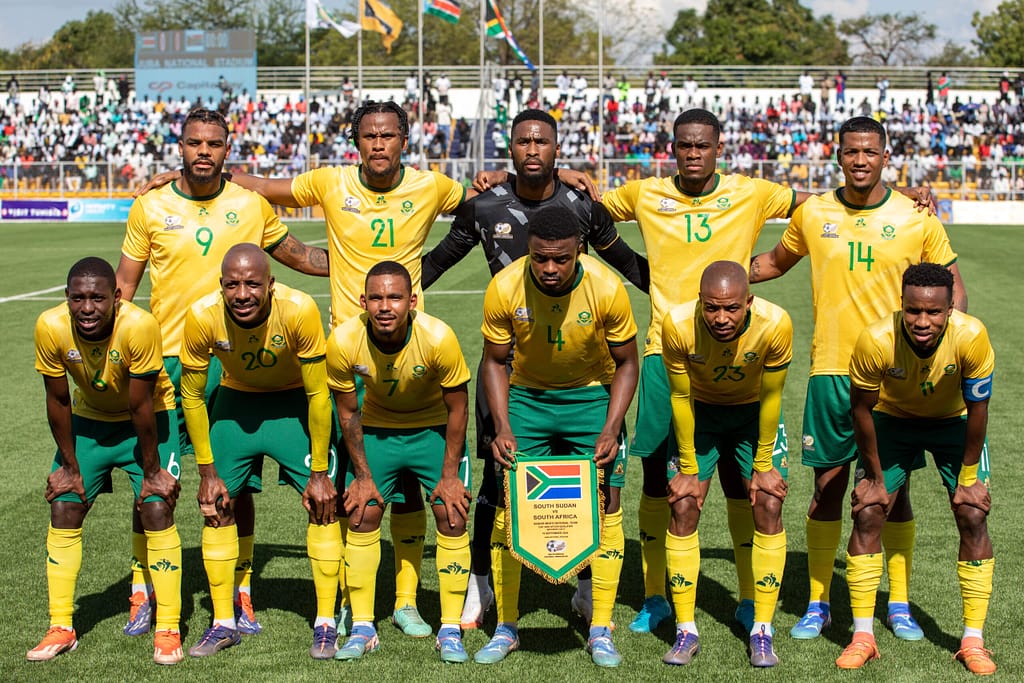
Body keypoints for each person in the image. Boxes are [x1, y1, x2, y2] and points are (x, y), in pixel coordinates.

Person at [421, 108, 648, 631]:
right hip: (510, 367)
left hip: (578, 366)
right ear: (510, 148)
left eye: (541, 141)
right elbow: (437, 261)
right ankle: (481, 585)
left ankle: (588, 588)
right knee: (495, 483)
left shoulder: (582, 202)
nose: (531, 149)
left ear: (555, 148)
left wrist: (689, 298)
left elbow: (628, 264)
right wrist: (389, 301)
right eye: (522, 141)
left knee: (594, 481)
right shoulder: (484, 204)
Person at [749, 115, 967, 642]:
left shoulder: (916, 216)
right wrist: (702, 270)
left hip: (896, 374)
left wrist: (948, 354)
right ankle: (819, 602)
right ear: (838, 155)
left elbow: (954, 288)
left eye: (870, 152)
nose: (860, 160)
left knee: (894, 489)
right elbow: (774, 263)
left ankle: (897, 602)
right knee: (827, 487)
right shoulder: (814, 211)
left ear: (885, 157)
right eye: (851, 152)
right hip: (830, 369)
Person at [117, 108, 328, 639]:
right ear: (180, 147)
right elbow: (123, 285)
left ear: (228, 148)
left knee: (236, 484)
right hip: (168, 361)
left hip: (234, 363)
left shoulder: (251, 204)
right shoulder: (151, 204)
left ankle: (241, 591)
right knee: (155, 482)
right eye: (194, 143)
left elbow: (299, 256)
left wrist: (368, 263)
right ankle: (142, 590)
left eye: (213, 143)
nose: (203, 152)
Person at [599, 108, 798, 636]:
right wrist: (637, 269)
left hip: (734, 348)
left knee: (740, 481)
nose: (692, 154)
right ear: (673, 147)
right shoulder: (644, 193)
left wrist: (903, 194)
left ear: (718, 147)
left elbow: (816, 207)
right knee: (658, 478)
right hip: (666, 350)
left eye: (702, 146)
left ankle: (747, 598)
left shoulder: (752, 192)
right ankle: (656, 594)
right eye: (684, 146)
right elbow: (591, 211)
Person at [475, 205, 639, 667]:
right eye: (540, 258)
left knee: (606, 504)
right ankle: (507, 626)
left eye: (561, 259)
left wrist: (611, 426)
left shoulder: (606, 288)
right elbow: (493, 361)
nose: (549, 268)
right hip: (527, 400)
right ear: (528, 250)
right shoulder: (504, 286)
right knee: (512, 504)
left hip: (591, 400)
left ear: (578, 252)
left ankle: (600, 626)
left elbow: (628, 362)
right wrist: (502, 425)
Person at [178, 244, 340, 659]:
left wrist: (320, 472)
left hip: (292, 406)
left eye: (253, 284)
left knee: (323, 504)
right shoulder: (201, 316)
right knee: (216, 506)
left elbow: (319, 393)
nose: (243, 294)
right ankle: (223, 622)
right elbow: (193, 397)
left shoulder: (299, 308)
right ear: (221, 286)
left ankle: (325, 622)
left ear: (270, 284)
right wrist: (207, 471)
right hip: (237, 405)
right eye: (233, 284)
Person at [837, 263, 995, 675]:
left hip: (954, 421)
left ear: (950, 310)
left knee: (973, 514)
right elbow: (861, 411)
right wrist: (873, 478)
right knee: (869, 511)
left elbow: (979, 411)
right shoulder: (875, 339)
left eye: (934, 313)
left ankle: (972, 641)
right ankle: (862, 636)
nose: (922, 322)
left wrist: (967, 479)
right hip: (893, 419)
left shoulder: (972, 335)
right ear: (901, 305)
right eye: (913, 311)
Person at [29, 257, 184, 665]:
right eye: (78, 298)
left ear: (116, 297)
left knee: (155, 508)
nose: (87, 308)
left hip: (150, 420)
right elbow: (59, 399)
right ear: (66, 299)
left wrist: (152, 473)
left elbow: (141, 404)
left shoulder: (140, 325)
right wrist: (68, 465)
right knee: (64, 504)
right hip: (90, 421)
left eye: (98, 298)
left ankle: (168, 627)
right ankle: (61, 626)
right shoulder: (50, 326)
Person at [327, 261, 472, 662]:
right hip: (377, 428)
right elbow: (348, 414)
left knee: (453, 512)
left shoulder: (438, 337)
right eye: (376, 297)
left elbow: (458, 409)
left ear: (412, 301)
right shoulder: (344, 341)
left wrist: (448, 476)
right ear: (363, 301)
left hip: (432, 428)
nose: (385, 306)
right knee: (361, 512)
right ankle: (362, 626)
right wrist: (362, 476)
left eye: (394, 297)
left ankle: (450, 629)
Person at [660, 261, 791, 668]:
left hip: (753, 415)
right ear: (699, 302)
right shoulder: (677, 325)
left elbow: (772, 398)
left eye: (732, 308)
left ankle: (762, 630)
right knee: (683, 505)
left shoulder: (775, 324)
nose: (721, 318)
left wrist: (764, 463)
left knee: (768, 501)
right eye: (712, 308)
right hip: (700, 415)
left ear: (748, 302)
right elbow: (680, 399)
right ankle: (685, 629)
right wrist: (686, 466)